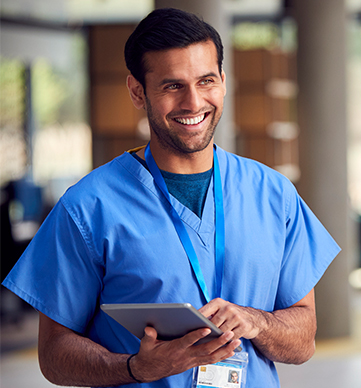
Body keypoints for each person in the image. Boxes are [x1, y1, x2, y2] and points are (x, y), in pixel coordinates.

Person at [2, 7, 341, 388]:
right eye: (172, 86)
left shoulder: (274, 194)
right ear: (137, 91)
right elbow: (54, 356)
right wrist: (135, 368)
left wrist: (256, 321)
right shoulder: (88, 207)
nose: (193, 103)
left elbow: (303, 340)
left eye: (206, 81)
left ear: (224, 82)